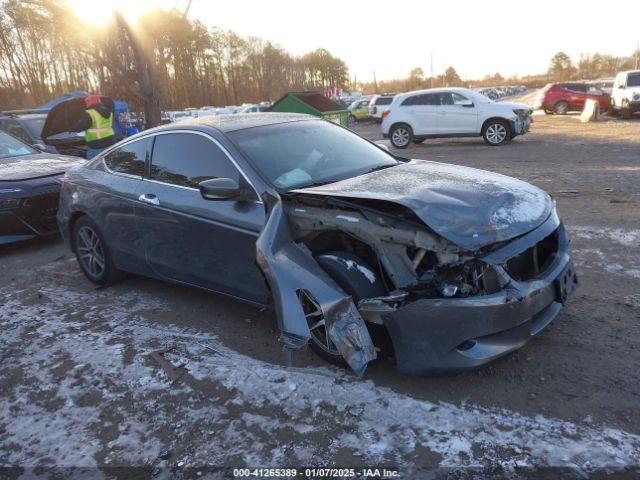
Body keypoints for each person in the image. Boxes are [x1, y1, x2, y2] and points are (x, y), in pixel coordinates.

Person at [75, 95, 116, 159]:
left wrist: (72, 128)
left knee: (92, 165)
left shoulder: (90, 113)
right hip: (110, 140)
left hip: (96, 143)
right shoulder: (109, 111)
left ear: (89, 103)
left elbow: (81, 126)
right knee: (110, 161)